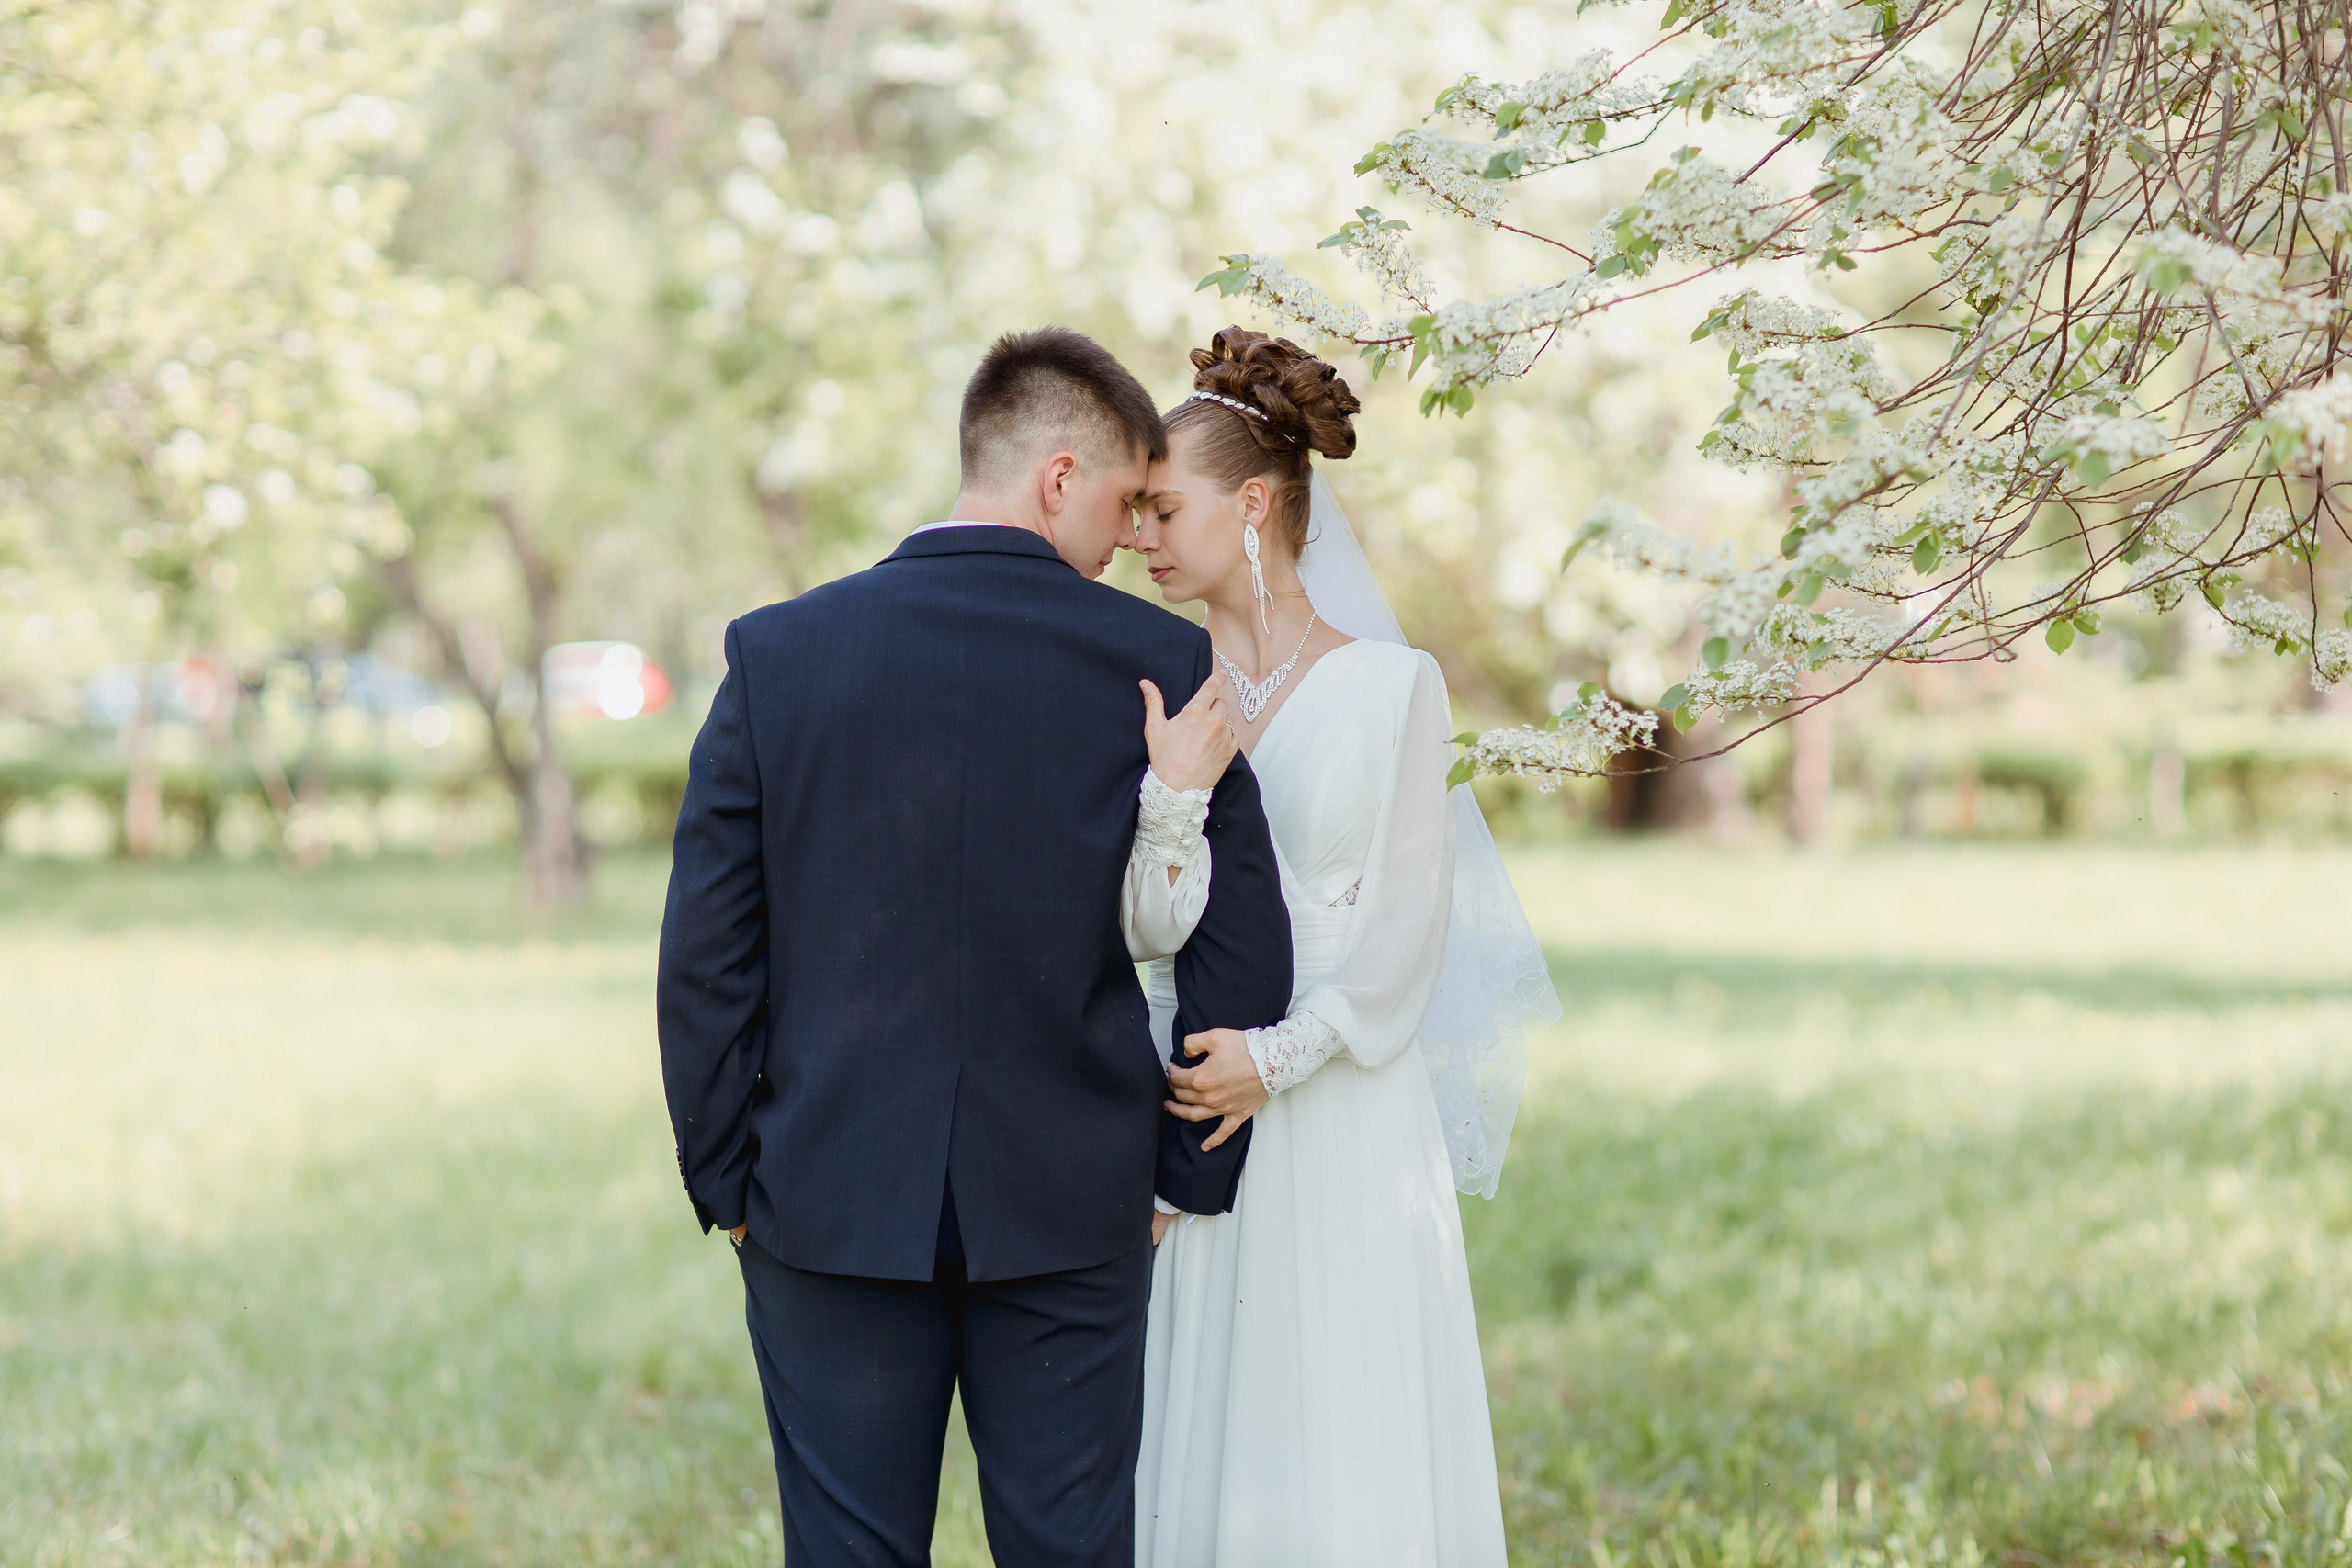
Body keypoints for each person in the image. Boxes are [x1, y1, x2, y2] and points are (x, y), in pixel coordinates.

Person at [656, 327, 1295, 1568]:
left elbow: (707, 956)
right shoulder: (1162, 664)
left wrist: (725, 1180)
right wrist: (1179, 1175)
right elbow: (1242, 942)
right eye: (1121, 503)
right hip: (1077, 1201)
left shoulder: (778, 655)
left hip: (822, 1198)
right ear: (1058, 477)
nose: (1126, 543)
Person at [1129, 327, 1560, 1567]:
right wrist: (1169, 798)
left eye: (1166, 509)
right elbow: (1146, 921)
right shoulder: (1157, 683)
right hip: (1192, 1101)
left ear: (1253, 504)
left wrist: (1285, 1055)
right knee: (1206, 1406)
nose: (1142, 536)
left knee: (1343, 1418)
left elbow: (1408, 930)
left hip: (1343, 1098)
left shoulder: (1393, 689)